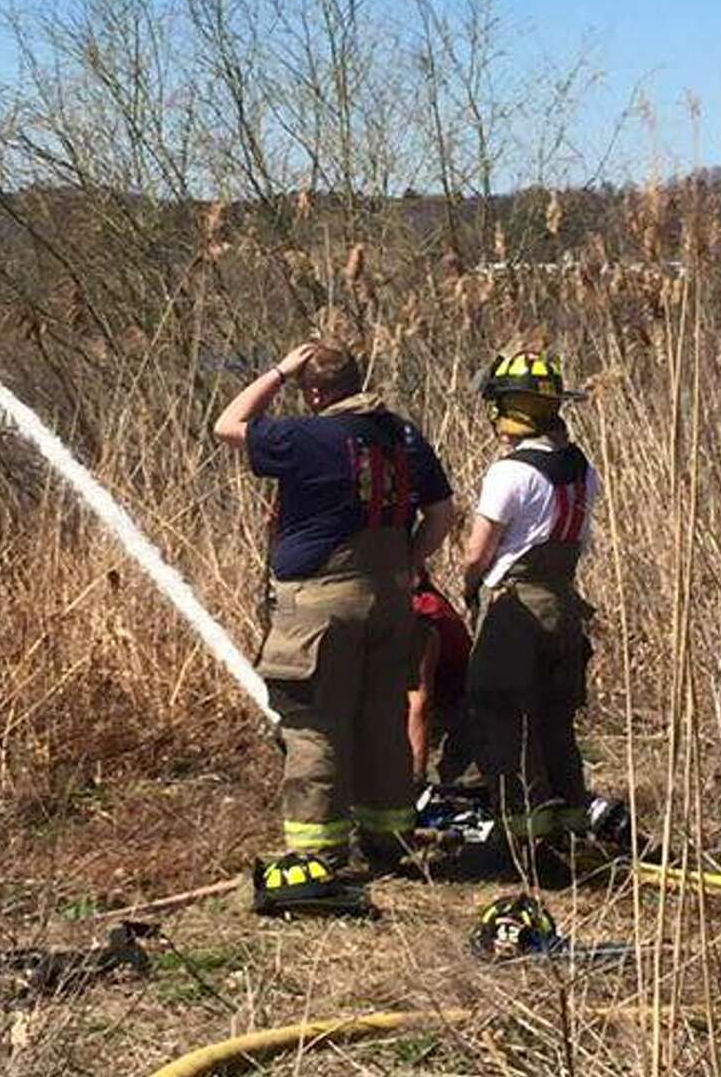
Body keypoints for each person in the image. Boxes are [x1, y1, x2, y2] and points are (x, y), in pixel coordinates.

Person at [214, 341, 456, 884]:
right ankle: (389, 840)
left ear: (316, 391)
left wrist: (279, 371)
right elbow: (442, 512)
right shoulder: (403, 435)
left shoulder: (307, 436)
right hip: (390, 602)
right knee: (381, 722)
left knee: (314, 724)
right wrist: (407, 565)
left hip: (318, 609)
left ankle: (317, 854)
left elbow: (228, 425)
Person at [461, 350, 609, 833]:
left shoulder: (509, 473)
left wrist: (469, 587)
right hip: (565, 607)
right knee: (555, 719)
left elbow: (476, 553)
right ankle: (570, 824)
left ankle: (522, 838)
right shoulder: (582, 469)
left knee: (503, 716)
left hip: (515, 611)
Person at [408, 572, 473, 787]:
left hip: (461, 722)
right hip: (447, 709)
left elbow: (420, 703)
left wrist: (415, 780)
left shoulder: (424, 613)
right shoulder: (425, 601)